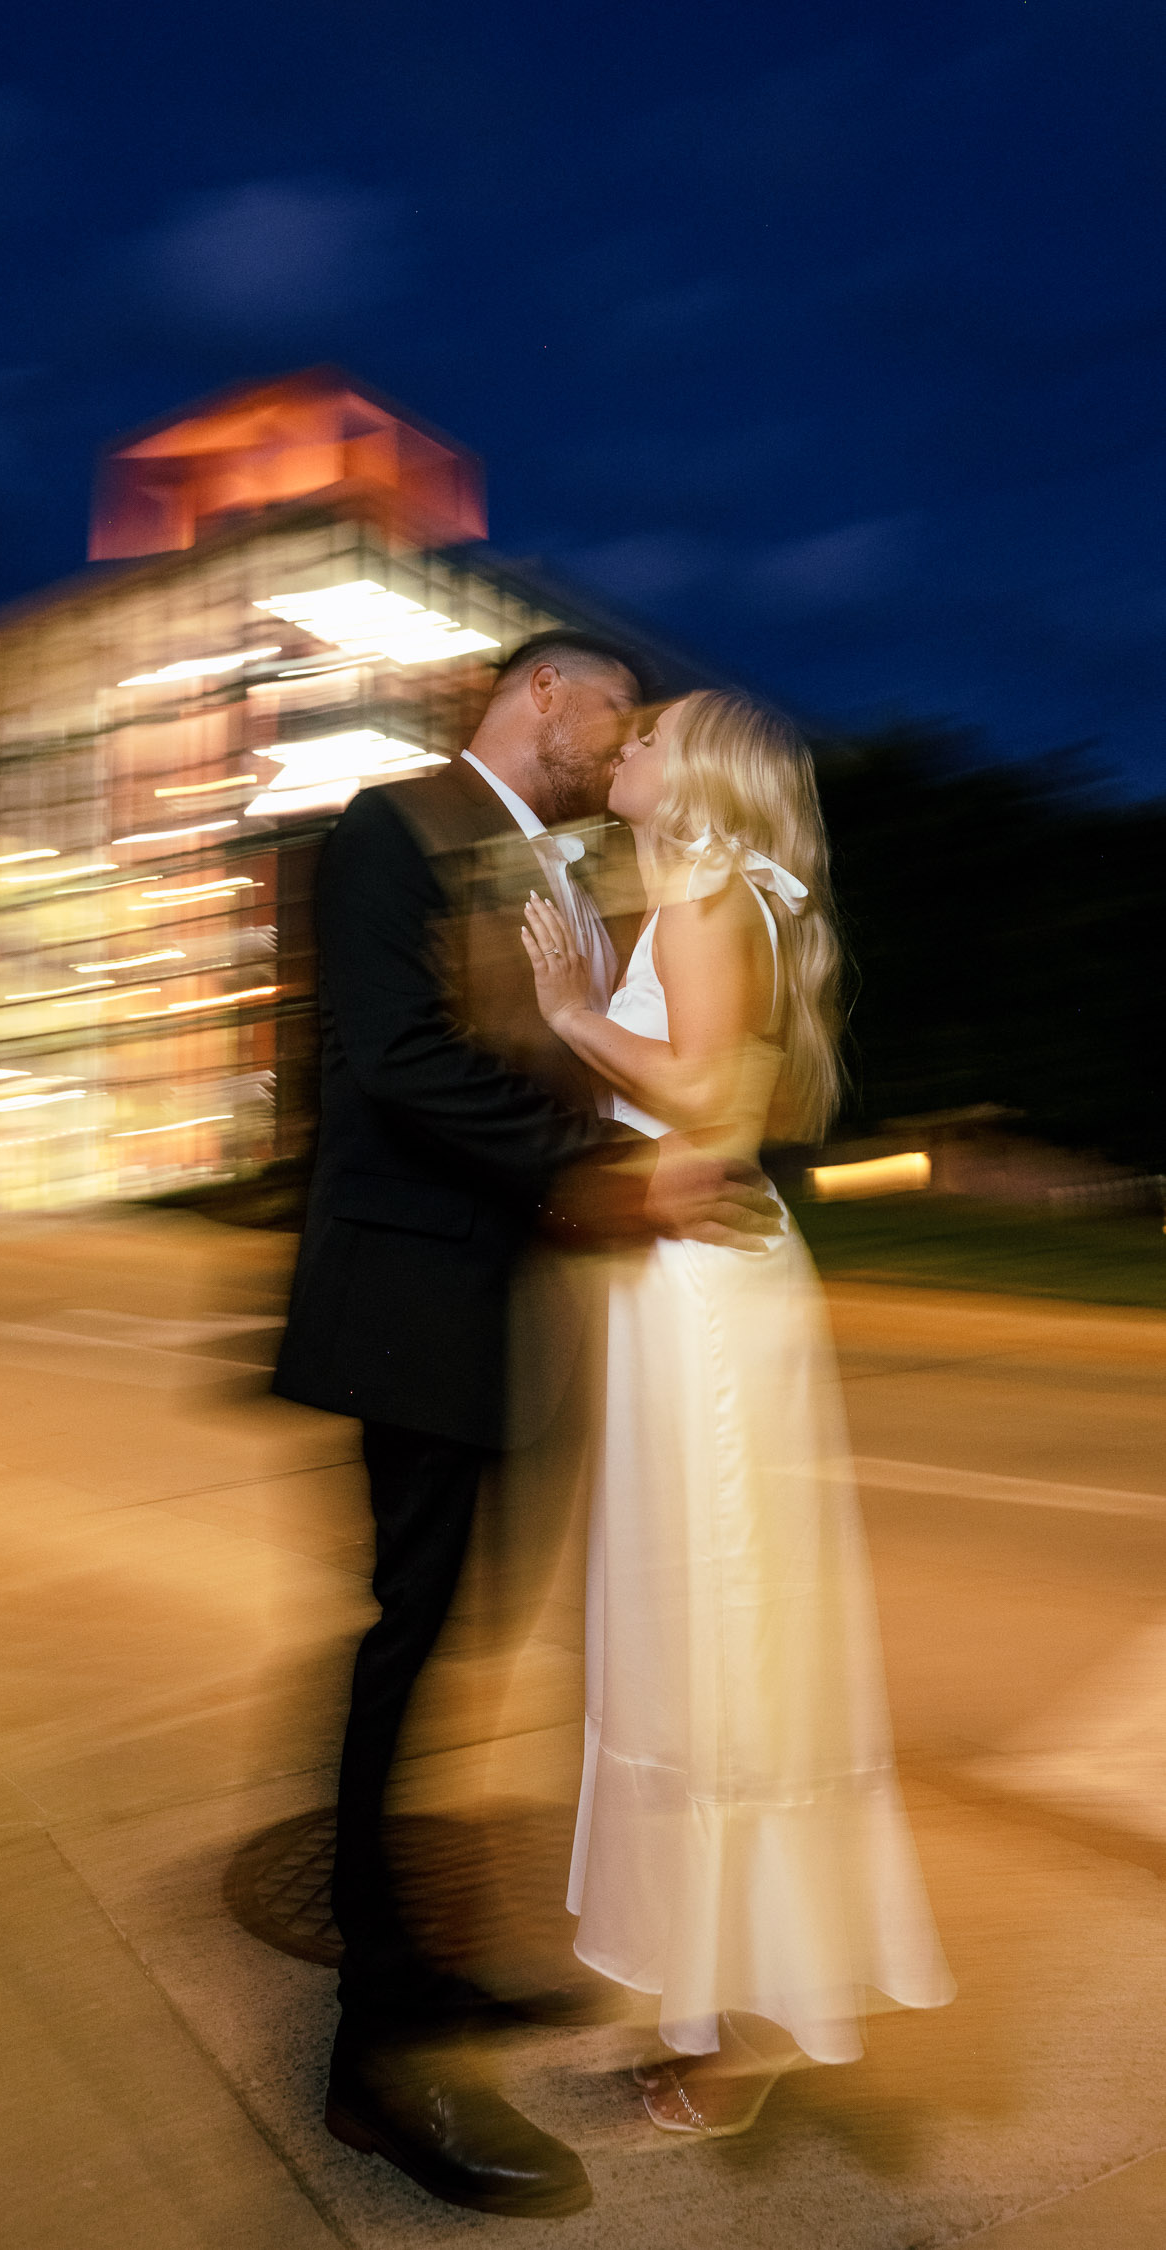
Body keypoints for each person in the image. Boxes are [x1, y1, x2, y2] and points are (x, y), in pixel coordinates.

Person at [272, 634, 778, 2216]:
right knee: (408, 1648)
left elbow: (633, 1046)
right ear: (544, 696)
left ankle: (420, 1965)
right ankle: (374, 2054)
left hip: (513, 1315)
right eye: (611, 708)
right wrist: (613, 1182)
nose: (619, 734)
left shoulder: (534, 861)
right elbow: (406, 1064)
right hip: (413, 1308)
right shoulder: (387, 827)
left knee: (462, 1651)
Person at [521, 688, 956, 2139]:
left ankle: (736, 2022)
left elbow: (712, 1103)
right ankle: (712, 2002)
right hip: (688, 1292)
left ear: (698, 774)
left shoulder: (711, 893)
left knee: (717, 1642)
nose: (623, 747)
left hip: (706, 1311)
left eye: (645, 732)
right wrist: (597, 992)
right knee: (702, 1641)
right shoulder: (709, 897)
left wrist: (576, 1011)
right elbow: (723, 1100)